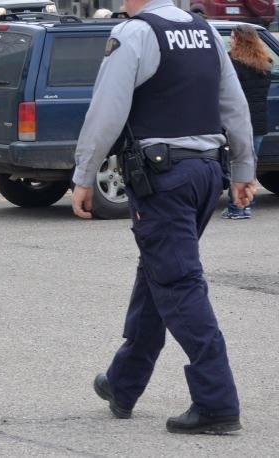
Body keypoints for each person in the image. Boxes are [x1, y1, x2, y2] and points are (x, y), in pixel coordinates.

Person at [70, 0, 257, 434]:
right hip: (206, 172)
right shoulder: (205, 31)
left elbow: (106, 112)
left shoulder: (136, 33)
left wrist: (83, 174)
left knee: (178, 280)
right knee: (160, 271)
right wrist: (245, 170)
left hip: (164, 178)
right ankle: (123, 383)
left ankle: (216, 402)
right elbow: (234, 106)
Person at [221, 24, 271, 219]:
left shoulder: (232, 63)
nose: (231, 40)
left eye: (233, 37)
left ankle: (237, 208)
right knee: (249, 163)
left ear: (240, 40)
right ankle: (246, 204)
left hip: (239, 121)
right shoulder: (266, 63)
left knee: (236, 163)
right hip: (259, 121)